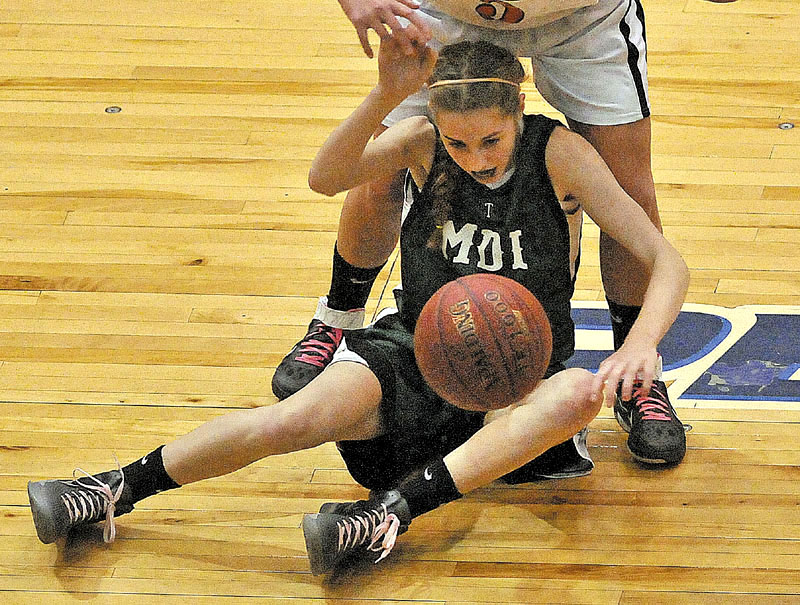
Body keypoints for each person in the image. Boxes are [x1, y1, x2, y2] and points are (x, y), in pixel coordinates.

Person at [232, 0, 752, 465]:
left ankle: (641, 378)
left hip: (580, 18)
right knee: (384, 169)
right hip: (449, 12)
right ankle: (336, 320)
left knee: (630, 191)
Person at [27, 37, 690, 575]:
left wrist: (642, 343)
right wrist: (385, 95)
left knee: (576, 391)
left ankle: (386, 515)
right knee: (294, 417)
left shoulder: (562, 156)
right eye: (459, 144)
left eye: (490, 140)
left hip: (513, 384)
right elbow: (324, 176)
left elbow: (667, 260)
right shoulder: (419, 143)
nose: (476, 158)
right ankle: (110, 488)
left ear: (517, 110)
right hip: (413, 353)